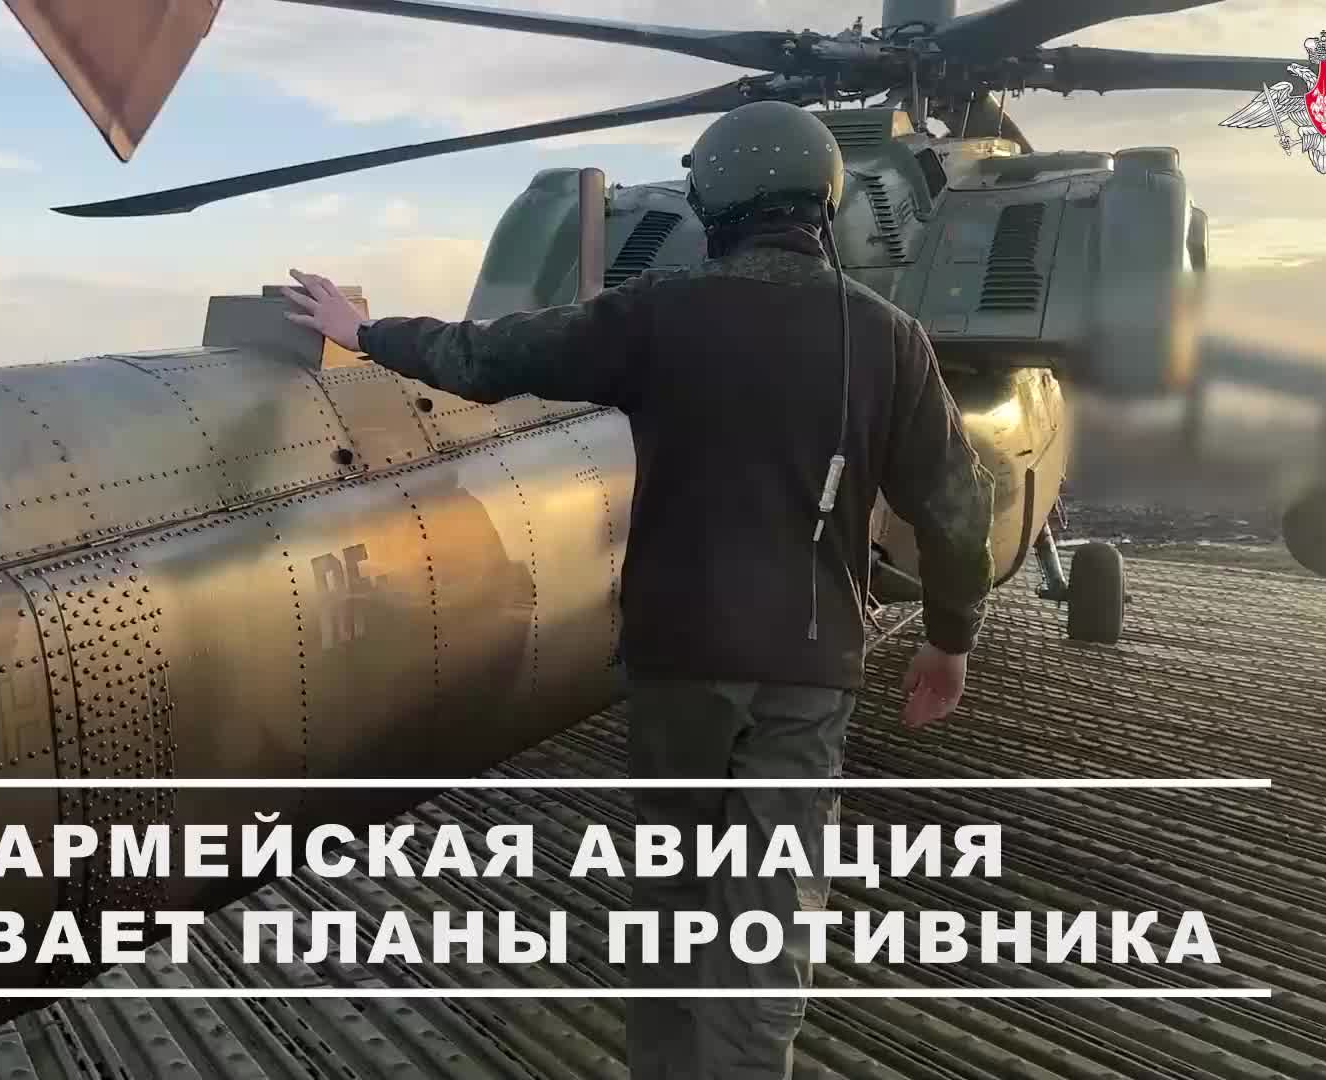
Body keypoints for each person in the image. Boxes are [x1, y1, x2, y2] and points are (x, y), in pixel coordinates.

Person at [284, 100, 995, 1080]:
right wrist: (949, 637)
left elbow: (490, 358)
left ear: (715, 201)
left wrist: (366, 331)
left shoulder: (661, 312)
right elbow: (957, 507)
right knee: (768, 918)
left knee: (674, 904)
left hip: (680, 660)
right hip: (809, 670)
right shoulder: (891, 337)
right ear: (824, 202)